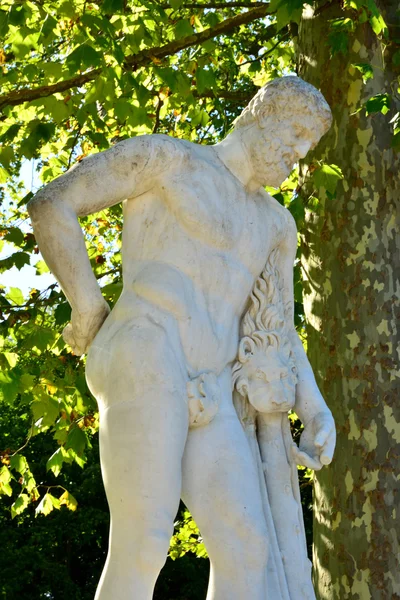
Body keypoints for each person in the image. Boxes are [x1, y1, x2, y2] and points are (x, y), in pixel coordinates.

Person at [28, 76, 336, 600]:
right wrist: (87, 304)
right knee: (145, 540)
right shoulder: (167, 159)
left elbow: (276, 331)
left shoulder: (276, 224)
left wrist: (314, 406)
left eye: (310, 145)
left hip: (212, 388)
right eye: (298, 132)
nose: (300, 152)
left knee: (247, 546)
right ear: (262, 114)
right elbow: (52, 204)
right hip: (149, 350)